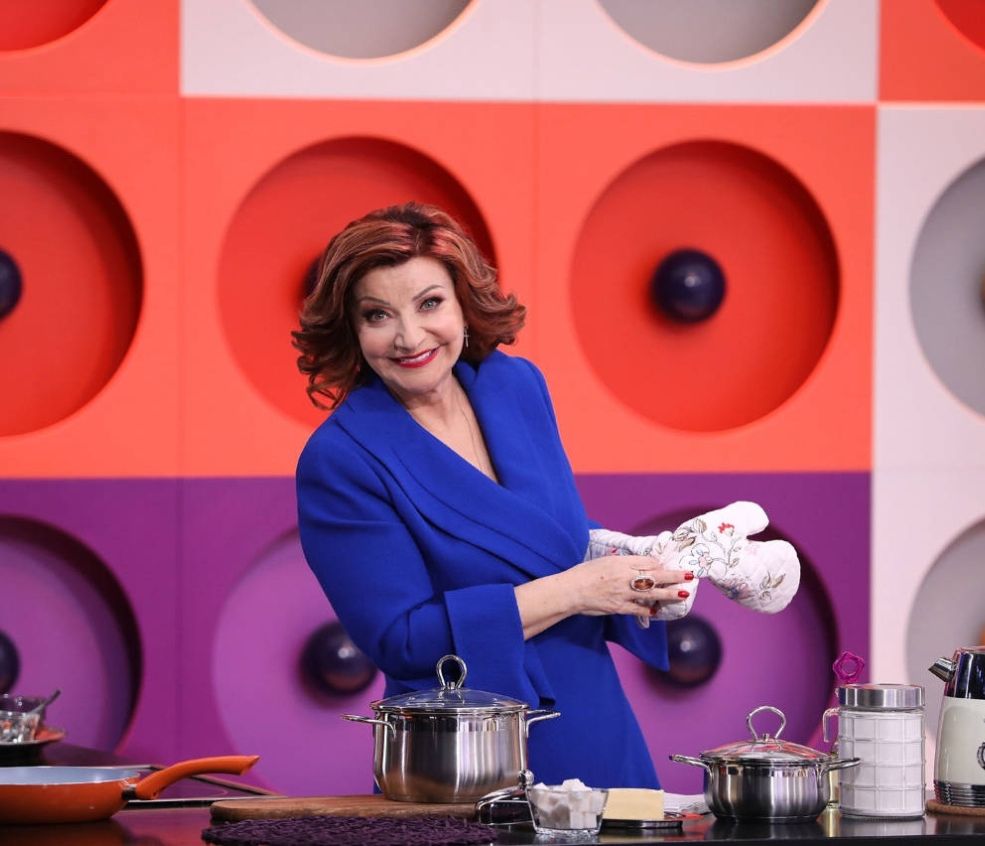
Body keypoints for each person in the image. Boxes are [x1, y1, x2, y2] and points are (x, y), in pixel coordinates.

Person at [292, 201, 696, 790]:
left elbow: (546, 539)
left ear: (462, 302)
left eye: (429, 303)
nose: (409, 337)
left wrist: (635, 568)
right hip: (467, 754)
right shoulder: (340, 459)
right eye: (378, 315)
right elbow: (402, 641)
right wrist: (579, 589)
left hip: (594, 717)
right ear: (352, 330)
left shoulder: (516, 384)